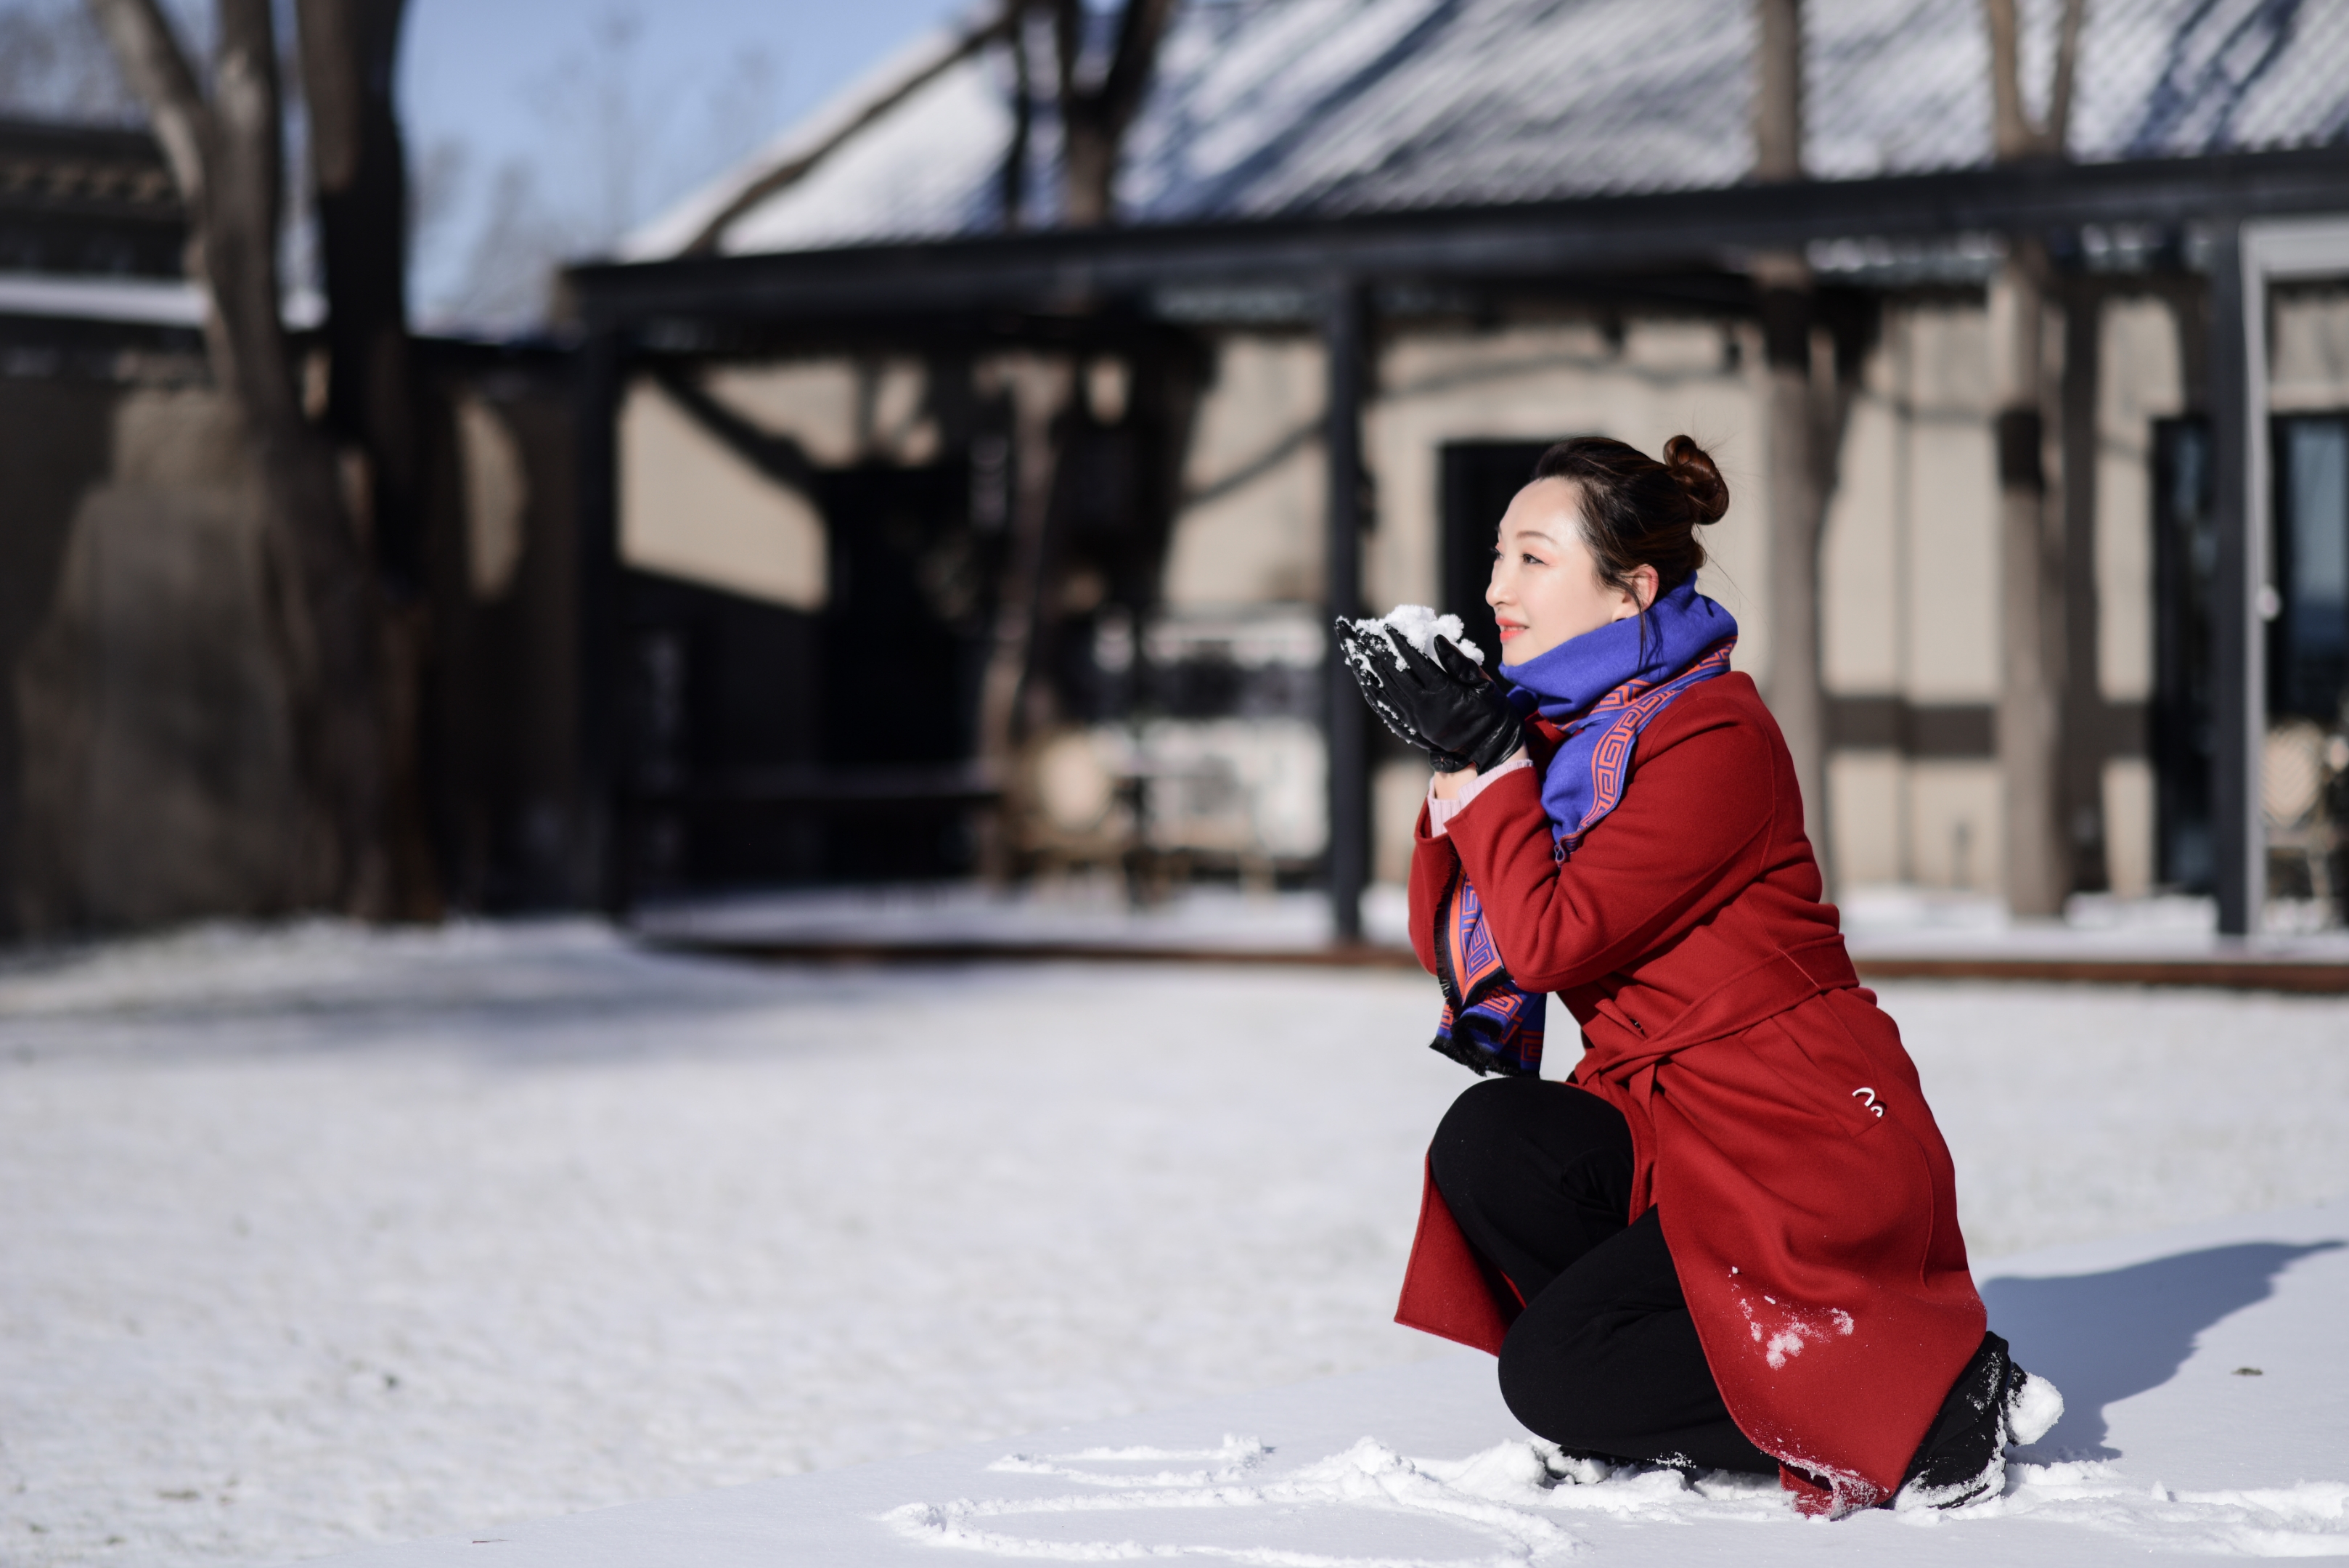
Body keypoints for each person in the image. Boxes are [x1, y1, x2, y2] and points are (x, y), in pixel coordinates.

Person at [1336, 435, 2060, 1518]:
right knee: (1493, 1144)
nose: (1495, 590)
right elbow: (1463, 930)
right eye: (1497, 558)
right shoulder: (1564, 738)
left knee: (1553, 1378)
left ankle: (1931, 1401)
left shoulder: (1716, 737)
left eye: (1533, 559)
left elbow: (1549, 939)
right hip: (1684, 1126)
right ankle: (1682, 1378)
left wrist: (1491, 766)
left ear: (1633, 589)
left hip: (1797, 1136)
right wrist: (1468, 757)